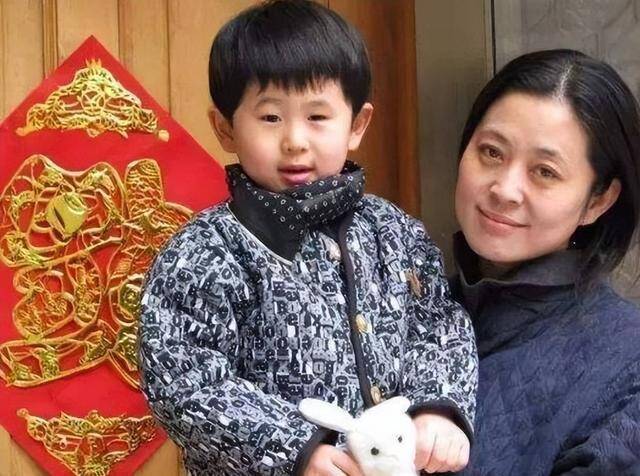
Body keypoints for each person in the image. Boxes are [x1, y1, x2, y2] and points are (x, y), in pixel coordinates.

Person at [137, 1, 477, 475]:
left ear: (357, 125)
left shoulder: (396, 232)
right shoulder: (204, 252)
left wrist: (438, 408)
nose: (295, 140)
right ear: (225, 128)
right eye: (270, 118)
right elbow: (185, 381)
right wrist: (298, 449)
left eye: (317, 117)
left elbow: (439, 326)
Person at [451, 48, 640, 475]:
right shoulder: (398, 306)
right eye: (491, 152)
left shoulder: (629, 364)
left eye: (545, 172)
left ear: (598, 201)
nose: (505, 189)